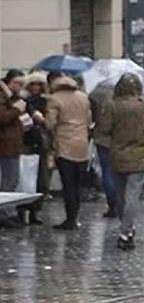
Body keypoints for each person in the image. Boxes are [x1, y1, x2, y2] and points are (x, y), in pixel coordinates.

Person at [95, 74, 144, 250]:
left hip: (117, 155)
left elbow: (104, 129)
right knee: (132, 194)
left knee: (121, 194)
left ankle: (126, 226)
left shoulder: (112, 106)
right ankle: (126, 231)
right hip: (138, 156)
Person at [45, 75, 92, 229]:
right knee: (77, 184)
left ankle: (70, 218)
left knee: (68, 184)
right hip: (82, 144)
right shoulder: (83, 97)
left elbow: (50, 124)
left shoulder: (54, 99)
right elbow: (89, 119)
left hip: (64, 145)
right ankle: (75, 216)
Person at [19, 73, 50, 226]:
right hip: (27, 143)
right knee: (25, 179)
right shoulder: (24, 102)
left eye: (39, 84)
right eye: (33, 84)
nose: (36, 87)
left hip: (40, 144)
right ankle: (22, 211)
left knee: (40, 180)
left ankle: (34, 212)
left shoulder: (46, 102)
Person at [89, 82, 119, 216]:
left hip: (103, 142)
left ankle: (112, 204)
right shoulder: (120, 101)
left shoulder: (95, 94)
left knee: (107, 172)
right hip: (119, 143)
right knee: (118, 174)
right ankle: (119, 203)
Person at [0, 76, 26, 228]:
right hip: (6, 146)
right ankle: (5, 214)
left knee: (11, 181)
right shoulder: (3, 96)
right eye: (16, 83)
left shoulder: (9, 97)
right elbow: (2, 117)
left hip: (11, 145)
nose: (19, 86)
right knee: (9, 181)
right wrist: (17, 109)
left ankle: (8, 213)